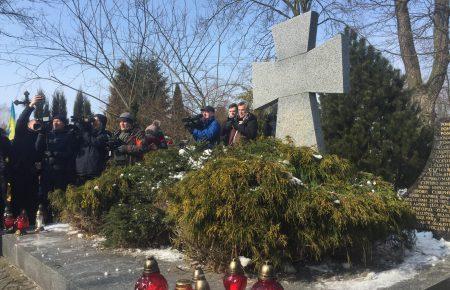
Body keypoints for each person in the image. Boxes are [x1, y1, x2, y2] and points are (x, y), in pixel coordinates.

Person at [35, 114, 76, 216]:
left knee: (60, 194)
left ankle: (61, 216)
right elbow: (37, 148)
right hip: (47, 170)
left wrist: (55, 154)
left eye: (58, 121)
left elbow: (71, 153)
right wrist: (41, 134)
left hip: (61, 170)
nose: (55, 123)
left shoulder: (68, 135)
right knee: (45, 195)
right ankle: (46, 217)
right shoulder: (47, 134)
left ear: (63, 123)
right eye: (54, 121)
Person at [10, 95, 43, 217]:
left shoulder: (39, 135)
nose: (36, 125)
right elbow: (21, 121)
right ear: (28, 124)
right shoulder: (21, 133)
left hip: (32, 172)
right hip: (18, 171)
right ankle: (14, 222)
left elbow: (39, 152)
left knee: (32, 198)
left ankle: (32, 221)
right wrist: (30, 106)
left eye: (38, 123)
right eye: (34, 123)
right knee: (17, 198)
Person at [74, 114, 110, 185]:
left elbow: (95, 142)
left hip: (95, 171)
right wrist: (80, 123)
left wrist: (83, 131)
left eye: (96, 120)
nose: (93, 122)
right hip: (81, 171)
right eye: (92, 120)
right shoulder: (87, 133)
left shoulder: (105, 135)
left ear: (102, 123)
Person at [0, 128, 12, 213]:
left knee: (3, 197)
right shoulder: (4, 139)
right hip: (3, 171)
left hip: (2, 172)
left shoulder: (4, 139)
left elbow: (10, 155)